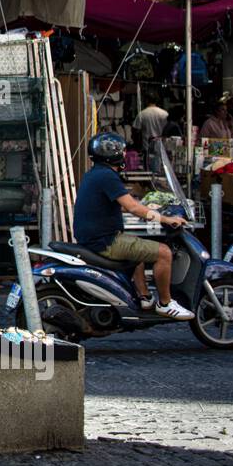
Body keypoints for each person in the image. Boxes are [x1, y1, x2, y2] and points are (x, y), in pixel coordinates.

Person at [73, 132, 194, 320]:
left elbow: (118, 205)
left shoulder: (95, 174)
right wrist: (165, 219)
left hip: (96, 237)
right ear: (114, 155)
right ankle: (165, 303)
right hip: (106, 241)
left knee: (138, 247)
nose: (124, 155)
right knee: (164, 252)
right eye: (123, 152)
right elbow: (133, 207)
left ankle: (144, 297)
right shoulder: (107, 176)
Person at [134, 98, 170, 171]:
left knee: (148, 167)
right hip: (161, 143)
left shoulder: (142, 114)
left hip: (147, 144)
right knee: (161, 164)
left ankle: (148, 180)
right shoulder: (164, 113)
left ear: (146, 101)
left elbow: (136, 129)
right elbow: (169, 127)